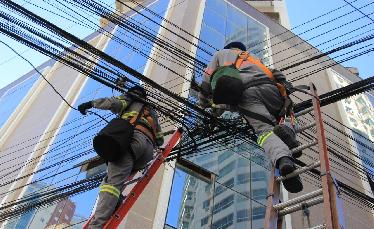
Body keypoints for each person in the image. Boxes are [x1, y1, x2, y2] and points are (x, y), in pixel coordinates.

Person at [198, 41, 303, 193]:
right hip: (272, 91)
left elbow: (207, 79)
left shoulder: (220, 54)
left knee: (264, 132)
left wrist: (203, 102)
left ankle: (283, 159)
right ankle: (287, 132)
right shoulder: (254, 58)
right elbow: (277, 74)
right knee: (288, 119)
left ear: (227, 48)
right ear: (242, 50)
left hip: (248, 94)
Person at [78, 85, 164, 228]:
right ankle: (116, 202)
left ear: (132, 93)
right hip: (147, 152)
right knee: (113, 181)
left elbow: (114, 103)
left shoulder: (131, 98)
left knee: (111, 185)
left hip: (132, 142)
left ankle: (96, 226)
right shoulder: (152, 113)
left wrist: (91, 104)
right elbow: (160, 139)